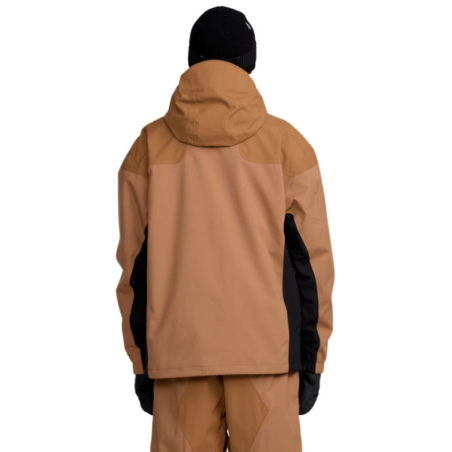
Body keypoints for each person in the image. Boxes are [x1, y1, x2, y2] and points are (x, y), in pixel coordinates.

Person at [116, 6, 334, 451]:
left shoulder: (148, 149)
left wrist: (142, 361)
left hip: (178, 357)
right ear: (249, 61)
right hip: (267, 359)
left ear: (192, 59)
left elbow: (134, 269)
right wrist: (312, 359)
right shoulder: (288, 148)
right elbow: (312, 267)